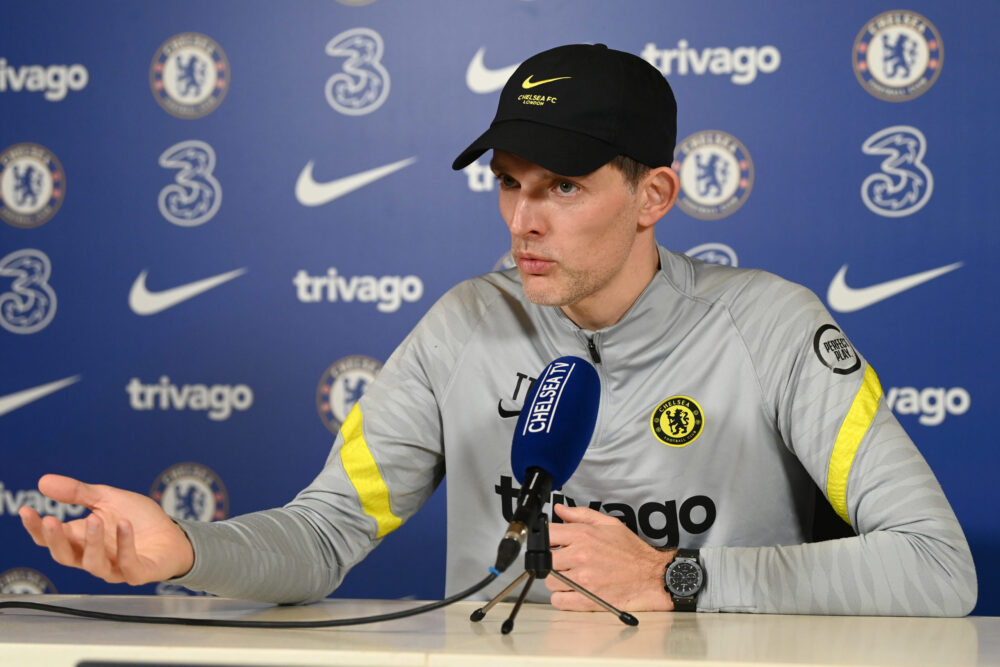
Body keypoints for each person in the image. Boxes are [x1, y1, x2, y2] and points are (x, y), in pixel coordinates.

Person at [19, 44, 977, 615]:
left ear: (653, 195)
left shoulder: (769, 324)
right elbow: (324, 534)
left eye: (564, 187)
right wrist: (190, 551)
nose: (524, 220)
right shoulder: (464, 326)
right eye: (510, 183)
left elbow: (938, 567)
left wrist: (678, 576)